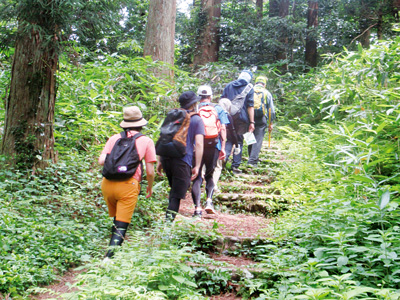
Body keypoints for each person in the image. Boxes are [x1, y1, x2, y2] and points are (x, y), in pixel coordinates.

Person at [98, 105, 156, 259]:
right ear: (141, 123)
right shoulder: (146, 141)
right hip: (128, 185)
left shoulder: (114, 138)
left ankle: (113, 253)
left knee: (116, 220)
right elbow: (150, 171)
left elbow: (101, 160)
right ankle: (109, 258)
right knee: (121, 224)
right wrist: (149, 187)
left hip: (107, 184)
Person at [157, 91, 204, 221]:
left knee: (174, 191)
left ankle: (166, 224)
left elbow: (163, 137)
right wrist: (198, 166)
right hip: (183, 160)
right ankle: (167, 226)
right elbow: (199, 144)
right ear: (193, 104)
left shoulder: (172, 116)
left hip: (166, 158)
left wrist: (159, 160)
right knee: (176, 195)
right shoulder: (196, 119)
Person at [192, 86, 229, 217]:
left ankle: (197, 208)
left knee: (196, 176)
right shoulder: (218, 109)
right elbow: (223, 128)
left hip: (197, 147)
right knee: (210, 174)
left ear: (198, 96)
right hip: (214, 145)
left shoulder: (194, 109)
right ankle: (209, 201)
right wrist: (223, 147)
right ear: (211, 96)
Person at [222, 70, 255, 175]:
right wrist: (252, 122)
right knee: (239, 141)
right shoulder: (250, 88)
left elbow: (222, 102)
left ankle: (223, 162)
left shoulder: (229, 86)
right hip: (242, 119)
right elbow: (250, 106)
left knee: (229, 140)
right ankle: (235, 166)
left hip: (229, 117)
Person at [212, 98, 240, 192]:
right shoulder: (226, 115)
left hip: (208, 139)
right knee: (218, 165)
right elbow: (232, 131)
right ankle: (213, 185)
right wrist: (236, 144)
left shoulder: (211, 112)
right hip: (219, 141)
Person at [248, 76, 276, 167]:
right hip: (261, 118)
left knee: (250, 137)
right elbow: (271, 109)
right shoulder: (267, 93)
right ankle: (252, 161)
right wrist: (270, 123)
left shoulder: (249, 90)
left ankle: (251, 157)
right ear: (264, 84)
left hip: (249, 117)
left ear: (255, 82)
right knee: (258, 139)